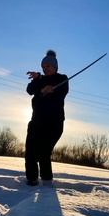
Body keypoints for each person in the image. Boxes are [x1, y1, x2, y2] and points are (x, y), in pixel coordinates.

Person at [24, 50, 69, 186]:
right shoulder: (40, 79)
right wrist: (38, 80)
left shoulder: (61, 78)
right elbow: (29, 90)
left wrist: (52, 90)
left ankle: (47, 181)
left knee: (44, 152)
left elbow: (62, 92)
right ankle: (31, 180)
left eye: (48, 66)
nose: (45, 69)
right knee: (30, 151)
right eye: (43, 67)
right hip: (36, 121)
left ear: (55, 66)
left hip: (54, 123)